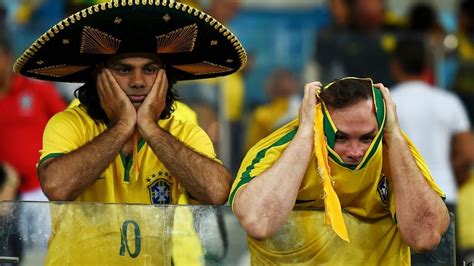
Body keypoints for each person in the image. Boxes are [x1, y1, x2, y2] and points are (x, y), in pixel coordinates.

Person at [13, 0, 246, 264]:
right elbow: (57, 187)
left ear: (165, 78)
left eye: (150, 69)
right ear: (98, 77)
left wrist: (150, 128)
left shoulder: (183, 131)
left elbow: (216, 192)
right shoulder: (69, 123)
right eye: (123, 70)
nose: (138, 82)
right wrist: (123, 125)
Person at [229, 77, 449, 265]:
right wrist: (307, 133)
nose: (355, 152)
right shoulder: (277, 150)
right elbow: (258, 222)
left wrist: (394, 134)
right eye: (340, 137)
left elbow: (425, 236)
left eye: (366, 138)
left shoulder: (394, 152)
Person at [390, 37, 474, 264]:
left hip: (399, 202)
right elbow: (468, 153)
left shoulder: (387, 103)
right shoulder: (448, 102)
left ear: (395, 66)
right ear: (427, 66)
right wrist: (450, 178)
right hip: (443, 196)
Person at [0, 33, 66, 254]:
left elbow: (68, 129)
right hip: (7, 194)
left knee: (50, 252)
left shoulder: (38, 90)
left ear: (8, 58)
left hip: (43, 191)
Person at [245, 68, 301, 151]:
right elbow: (251, 146)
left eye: (290, 81)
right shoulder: (261, 114)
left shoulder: (301, 106)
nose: (287, 84)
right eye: (282, 81)